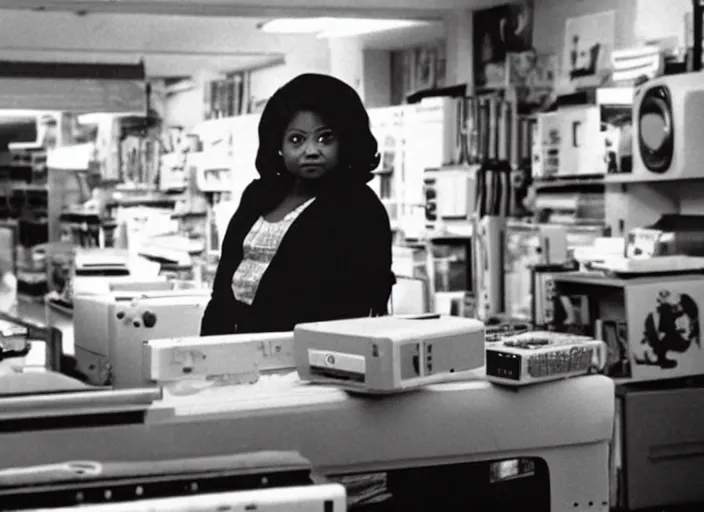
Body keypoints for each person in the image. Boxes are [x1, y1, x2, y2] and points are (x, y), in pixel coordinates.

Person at [200, 73, 394, 335]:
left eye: (325, 138)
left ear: (346, 141)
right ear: (278, 143)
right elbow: (223, 284)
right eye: (297, 139)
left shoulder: (359, 206)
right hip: (232, 344)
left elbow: (364, 302)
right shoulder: (259, 194)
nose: (311, 150)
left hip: (306, 351)